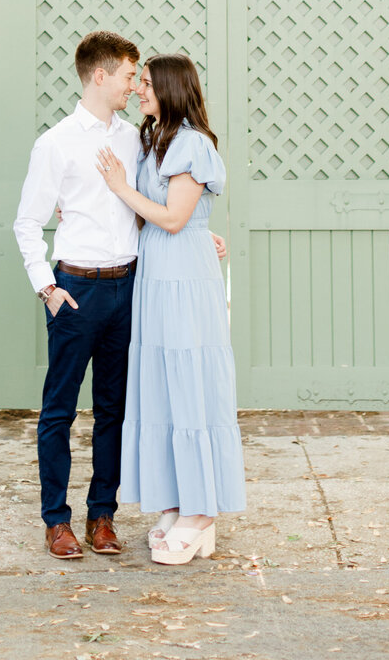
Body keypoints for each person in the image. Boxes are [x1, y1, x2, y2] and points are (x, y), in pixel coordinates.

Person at [96, 52, 246, 565]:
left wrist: (122, 189)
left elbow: (176, 219)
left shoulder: (193, 144)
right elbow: (169, 215)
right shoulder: (152, 138)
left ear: (171, 89)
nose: (140, 90)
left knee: (190, 384)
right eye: (138, 84)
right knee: (162, 384)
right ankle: (179, 501)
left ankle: (202, 513)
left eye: (148, 85)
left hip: (184, 276)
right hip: (158, 272)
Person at [13, 29, 142, 560]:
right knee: (59, 410)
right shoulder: (56, 142)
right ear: (100, 75)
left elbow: (148, 208)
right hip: (75, 290)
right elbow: (27, 222)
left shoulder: (135, 139)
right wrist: (46, 286)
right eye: (129, 76)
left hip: (126, 286)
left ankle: (103, 516)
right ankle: (56, 521)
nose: (135, 87)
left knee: (114, 408)